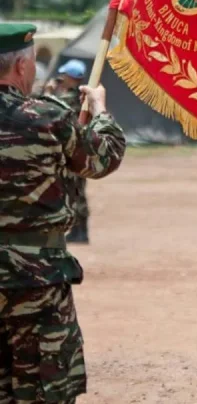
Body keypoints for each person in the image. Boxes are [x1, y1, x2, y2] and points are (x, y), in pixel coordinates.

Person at [0, 23, 126, 403]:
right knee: (42, 388)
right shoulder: (46, 117)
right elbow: (102, 158)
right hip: (35, 278)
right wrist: (100, 112)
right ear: (21, 67)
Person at [46, 59, 91, 243]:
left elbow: (51, 109)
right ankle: (79, 230)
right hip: (78, 149)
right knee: (74, 191)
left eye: (63, 76)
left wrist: (48, 92)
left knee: (75, 191)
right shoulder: (82, 96)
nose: (60, 78)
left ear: (70, 78)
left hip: (74, 151)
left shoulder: (72, 98)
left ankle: (81, 232)